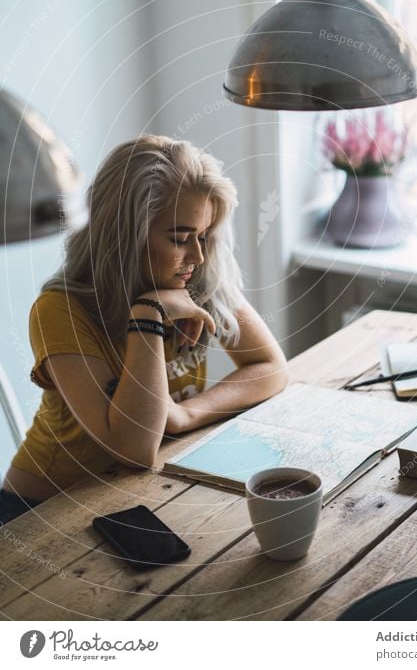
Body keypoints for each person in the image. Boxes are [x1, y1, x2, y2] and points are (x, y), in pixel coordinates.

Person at [0, 136, 290, 525]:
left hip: (137, 495)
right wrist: (148, 316)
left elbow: (271, 366)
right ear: (123, 234)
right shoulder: (59, 311)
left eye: (203, 236)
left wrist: (185, 416)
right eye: (179, 238)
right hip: (40, 511)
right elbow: (133, 448)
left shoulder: (194, 277)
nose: (198, 255)